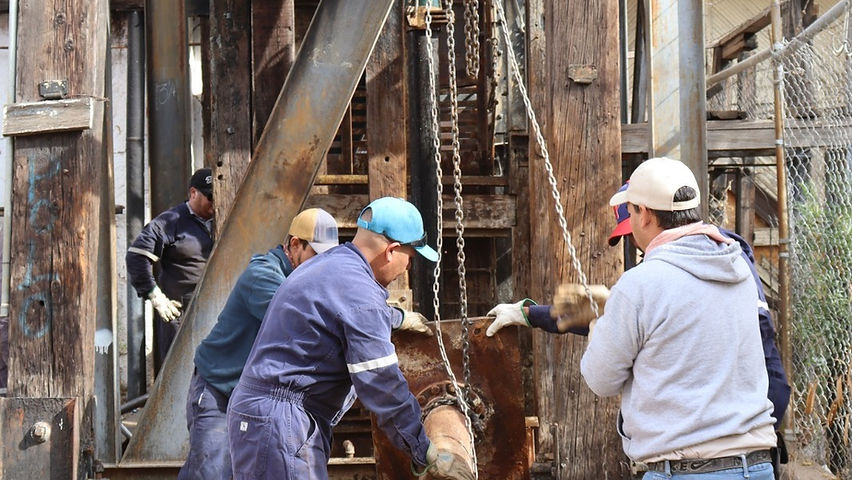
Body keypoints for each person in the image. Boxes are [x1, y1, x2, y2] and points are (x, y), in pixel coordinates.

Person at [486, 181, 792, 430]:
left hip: (739, 418)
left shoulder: (701, 266)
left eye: (631, 228)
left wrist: (610, 313)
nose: (633, 241)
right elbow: (634, 321)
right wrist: (532, 314)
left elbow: (602, 375)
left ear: (645, 215)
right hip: (742, 427)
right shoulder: (723, 257)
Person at [226, 197, 472, 480]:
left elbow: (338, 311)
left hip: (267, 415)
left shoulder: (331, 265)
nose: (407, 268)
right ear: (391, 251)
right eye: (410, 259)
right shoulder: (360, 293)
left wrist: (396, 318)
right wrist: (424, 450)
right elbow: (382, 383)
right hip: (281, 421)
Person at [178, 208, 339, 480]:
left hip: (250, 400)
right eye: (316, 255)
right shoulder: (263, 276)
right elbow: (301, 320)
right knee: (211, 473)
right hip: (218, 391)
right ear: (295, 245)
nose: (321, 266)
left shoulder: (304, 281)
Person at [126, 168, 214, 376]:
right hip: (180, 314)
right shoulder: (171, 221)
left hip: (214, 310)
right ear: (193, 193)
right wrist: (155, 295)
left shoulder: (224, 217)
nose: (214, 203)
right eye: (210, 197)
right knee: (180, 372)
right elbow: (137, 256)